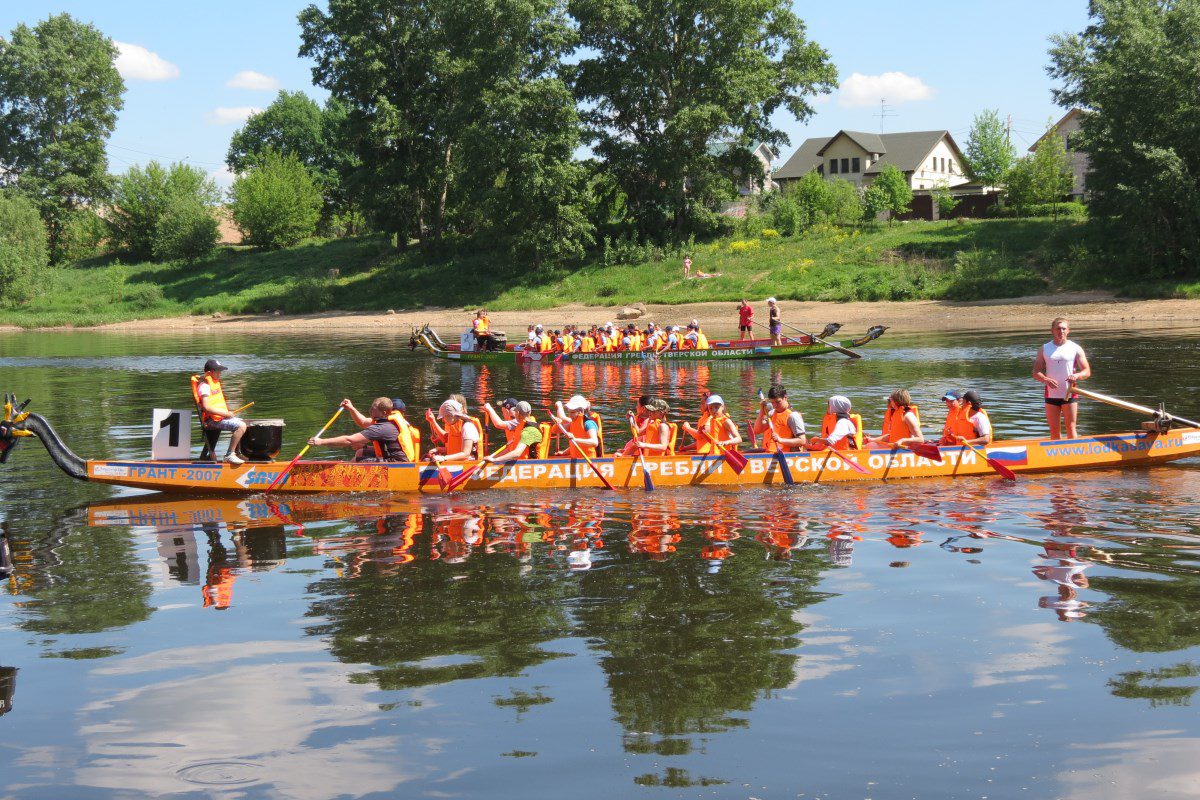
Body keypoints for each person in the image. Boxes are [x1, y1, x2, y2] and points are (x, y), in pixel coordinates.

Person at [1033, 317, 1092, 439]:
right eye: (1058, 329)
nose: (1061, 331)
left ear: (1068, 330)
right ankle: (1055, 457)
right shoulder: (1044, 349)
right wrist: (1045, 379)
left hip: (1069, 393)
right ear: (1052, 331)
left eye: (1064, 328)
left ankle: (1075, 456)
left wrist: (1077, 375)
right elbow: (1036, 372)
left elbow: (1087, 371)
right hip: (1051, 395)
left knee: (1071, 428)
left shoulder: (1075, 348)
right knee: (1054, 431)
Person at [308, 397, 408, 461]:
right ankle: (344, 473)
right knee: (361, 452)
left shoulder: (382, 427)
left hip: (397, 464)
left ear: (385, 412)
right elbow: (363, 422)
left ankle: (344, 479)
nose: (370, 411)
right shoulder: (390, 422)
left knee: (360, 460)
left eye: (373, 409)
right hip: (397, 459)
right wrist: (351, 408)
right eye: (371, 408)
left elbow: (349, 440)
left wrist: (321, 442)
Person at [190, 358, 248, 464]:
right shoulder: (205, 386)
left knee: (246, 423)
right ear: (210, 372)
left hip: (219, 418)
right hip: (211, 421)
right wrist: (226, 414)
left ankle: (237, 453)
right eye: (218, 371)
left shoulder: (214, 383)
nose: (220, 373)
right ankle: (230, 455)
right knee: (241, 426)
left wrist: (226, 415)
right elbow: (207, 408)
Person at [341, 395, 420, 461]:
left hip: (398, 463)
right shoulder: (404, 424)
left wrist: (351, 408)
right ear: (403, 412)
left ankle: (343, 476)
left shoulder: (388, 423)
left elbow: (363, 422)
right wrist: (365, 447)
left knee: (357, 459)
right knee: (360, 452)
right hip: (408, 460)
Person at [426, 398, 482, 464]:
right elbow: (456, 447)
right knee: (426, 460)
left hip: (467, 465)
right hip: (455, 463)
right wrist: (440, 449)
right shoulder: (456, 424)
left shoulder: (467, 427)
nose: (443, 420)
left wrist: (443, 458)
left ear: (451, 415)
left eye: (444, 417)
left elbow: (466, 454)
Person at [753, 385, 806, 452]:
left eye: (778, 402)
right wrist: (762, 410)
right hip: (770, 452)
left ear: (785, 398)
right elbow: (757, 430)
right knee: (745, 453)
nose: (775, 405)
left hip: (787, 455)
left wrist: (780, 440)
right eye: (772, 402)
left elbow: (802, 441)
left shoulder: (793, 416)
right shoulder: (772, 413)